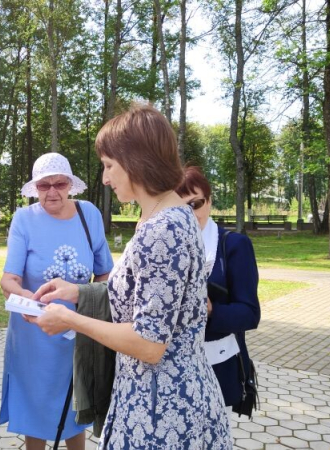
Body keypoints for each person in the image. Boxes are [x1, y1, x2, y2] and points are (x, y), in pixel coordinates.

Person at [28, 104, 232, 449]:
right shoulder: (172, 215)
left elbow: (149, 344)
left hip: (161, 411)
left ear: (136, 160)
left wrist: (71, 320)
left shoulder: (162, 230)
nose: (105, 178)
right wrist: (78, 292)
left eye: (109, 165)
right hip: (163, 396)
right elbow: (147, 295)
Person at [0, 152, 114, 450]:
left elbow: (105, 273)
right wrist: (29, 300)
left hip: (78, 330)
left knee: (76, 407)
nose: (52, 192)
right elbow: (8, 280)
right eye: (43, 185)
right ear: (35, 188)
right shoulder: (24, 219)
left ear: (70, 185)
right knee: (35, 408)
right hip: (34, 333)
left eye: (60, 184)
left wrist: (87, 301)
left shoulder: (89, 214)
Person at [177, 166, 260, 410]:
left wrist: (211, 309)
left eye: (195, 204)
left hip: (217, 368)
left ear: (210, 201)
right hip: (170, 370)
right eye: (179, 208)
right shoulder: (165, 247)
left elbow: (250, 314)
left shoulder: (233, 245)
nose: (189, 214)